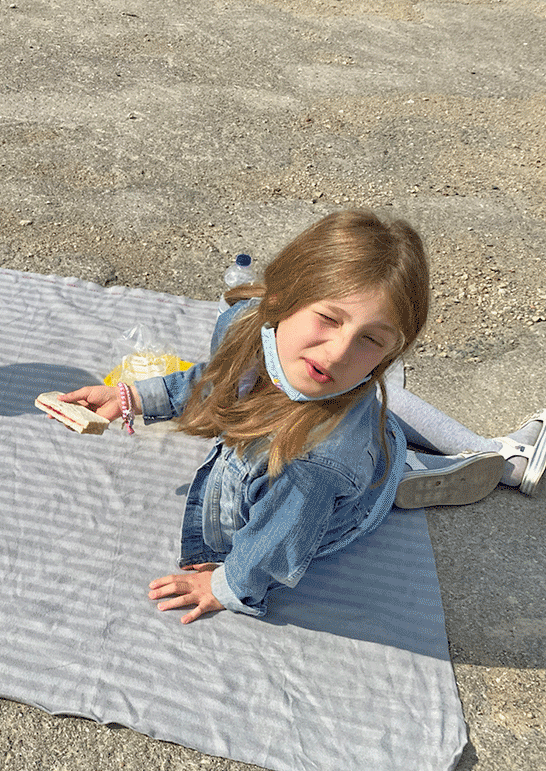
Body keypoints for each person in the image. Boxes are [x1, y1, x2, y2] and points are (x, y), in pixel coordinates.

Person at [59, 210, 544, 623]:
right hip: (358, 443)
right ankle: (409, 464)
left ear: (390, 353)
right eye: (329, 319)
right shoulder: (246, 326)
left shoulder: (311, 466)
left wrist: (226, 585)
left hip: (331, 495)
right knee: (381, 422)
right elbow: (214, 380)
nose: (337, 353)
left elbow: (276, 545)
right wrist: (133, 398)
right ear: (277, 301)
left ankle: (413, 477)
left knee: (356, 458)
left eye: (371, 340)